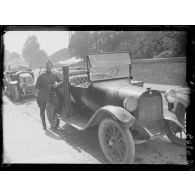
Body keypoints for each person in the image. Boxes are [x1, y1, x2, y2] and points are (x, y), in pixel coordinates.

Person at [35, 61, 62, 130]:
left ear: (52, 67)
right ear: (45, 67)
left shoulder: (54, 75)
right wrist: (44, 88)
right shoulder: (41, 76)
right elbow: (36, 86)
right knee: (42, 110)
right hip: (42, 95)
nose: (49, 67)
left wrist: (56, 84)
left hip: (51, 94)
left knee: (57, 102)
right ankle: (44, 125)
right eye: (48, 66)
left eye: (50, 66)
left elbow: (61, 81)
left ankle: (52, 114)